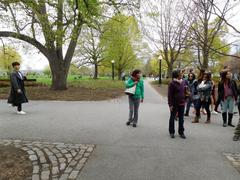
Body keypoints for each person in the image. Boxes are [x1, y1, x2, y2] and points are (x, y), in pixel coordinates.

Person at [168, 69, 186, 139]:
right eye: (181, 73)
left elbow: (185, 91)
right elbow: (169, 95)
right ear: (177, 74)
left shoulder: (183, 82)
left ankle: (181, 132)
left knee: (181, 118)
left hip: (182, 103)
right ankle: (172, 132)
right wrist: (170, 105)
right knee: (172, 117)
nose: (182, 74)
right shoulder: (172, 83)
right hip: (174, 103)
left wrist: (186, 96)